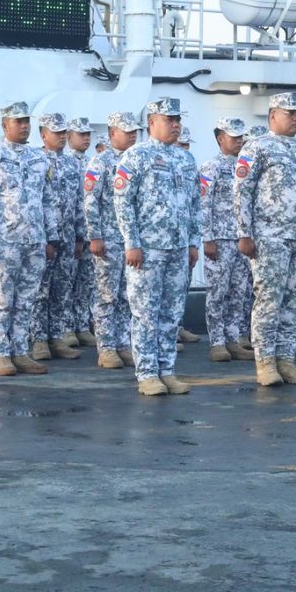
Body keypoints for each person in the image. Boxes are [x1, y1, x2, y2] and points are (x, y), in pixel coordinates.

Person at [114, 98, 202, 395]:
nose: (176, 124)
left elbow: (194, 204)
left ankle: (167, 369)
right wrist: (131, 243)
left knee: (172, 312)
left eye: (178, 119)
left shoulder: (186, 160)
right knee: (145, 312)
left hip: (177, 249)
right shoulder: (135, 156)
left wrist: (193, 242)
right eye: (169, 119)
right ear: (152, 122)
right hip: (147, 249)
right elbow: (123, 203)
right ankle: (148, 373)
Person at [236, 92, 296, 387]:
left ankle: (286, 360)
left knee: (293, 303)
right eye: (290, 113)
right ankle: (265, 362)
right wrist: (244, 233)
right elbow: (242, 191)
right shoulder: (257, 147)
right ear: (273, 116)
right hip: (270, 237)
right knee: (269, 302)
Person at [0, 102, 57, 375]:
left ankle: (20, 351)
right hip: (4, 242)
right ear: (5, 125)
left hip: (34, 241)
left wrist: (50, 237)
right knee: (2, 300)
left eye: (26, 121)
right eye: (17, 121)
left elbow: (47, 200)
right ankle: (1, 354)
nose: (23, 126)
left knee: (26, 300)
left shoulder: (39, 158)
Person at [85, 112, 142, 368]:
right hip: (108, 240)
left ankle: (122, 343)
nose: (132, 135)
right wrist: (94, 236)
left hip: (131, 241)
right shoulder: (100, 162)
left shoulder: (138, 160)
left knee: (126, 296)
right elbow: (90, 202)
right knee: (106, 295)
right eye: (126, 130)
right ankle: (106, 347)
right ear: (111, 134)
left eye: (134, 131)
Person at [199, 118, 255, 363]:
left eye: (241, 136)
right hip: (220, 240)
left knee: (239, 291)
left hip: (242, 239)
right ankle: (217, 342)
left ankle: (233, 339)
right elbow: (203, 205)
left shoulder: (248, 167)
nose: (239, 141)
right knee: (217, 292)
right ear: (221, 138)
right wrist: (207, 238)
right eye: (234, 137)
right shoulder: (211, 167)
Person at [34, 112, 84, 360]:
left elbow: (78, 203)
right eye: (56, 133)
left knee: (62, 289)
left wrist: (79, 236)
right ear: (43, 134)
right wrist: (44, 238)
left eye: (64, 132)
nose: (62, 137)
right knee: (41, 290)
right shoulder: (36, 161)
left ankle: (57, 336)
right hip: (45, 238)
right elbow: (34, 204)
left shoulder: (72, 164)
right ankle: (38, 339)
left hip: (67, 235)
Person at [65, 117, 98, 346]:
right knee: (67, 281)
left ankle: (81, 324)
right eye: (81, 134)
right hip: (70, 232)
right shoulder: (66, 162)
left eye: (88, 134)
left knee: (86, 281)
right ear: (69, 137)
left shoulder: (93, 163)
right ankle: (66, 327)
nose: (86, 138)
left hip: (90, 231)